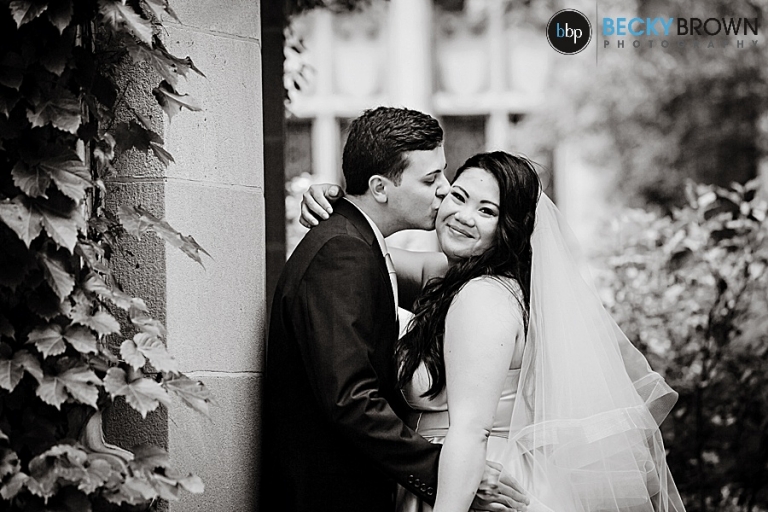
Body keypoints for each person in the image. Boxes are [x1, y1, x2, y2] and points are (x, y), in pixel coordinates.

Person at [301, 151, 686, 512]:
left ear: (509, 229)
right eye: (458, 197)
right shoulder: (446, 277)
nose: (463, 216)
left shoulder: (483, 297)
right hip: (447, 475)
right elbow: (359, 247)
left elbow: (471, 431)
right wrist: (336, 202)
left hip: (475, 485)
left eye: (486, 211)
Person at [261, 108, 529, 512]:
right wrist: (334, 198)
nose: (444, 192)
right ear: (380, 187)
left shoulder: (477, 290)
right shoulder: (348, 252)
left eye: (487, 210)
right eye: (434, 181)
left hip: (474, 476)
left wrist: (455, 477)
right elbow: (351, 399)